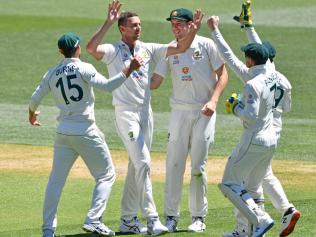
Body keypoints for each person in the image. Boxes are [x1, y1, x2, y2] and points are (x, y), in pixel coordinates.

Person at [86, 1, 203, 235]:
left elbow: (179, 48)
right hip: (126, 113)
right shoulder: (113, 51)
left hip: (145, 113)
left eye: (139, 24)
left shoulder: (147, 48)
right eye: (133, 25)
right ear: (122, 29)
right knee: (144, 163)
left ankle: (128, 219)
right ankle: (152, 219)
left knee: (135, 165)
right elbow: (91, 49)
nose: (139, 28)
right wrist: (107, 22)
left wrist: (194, 31)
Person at [29, 32, 143, 237]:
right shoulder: (84, 68)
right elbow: (108, 86)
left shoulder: (52, 72)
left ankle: (47, 230)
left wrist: (32, 115)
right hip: (85, 131)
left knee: (56, 181)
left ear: (60, 51)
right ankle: (93, 220)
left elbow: (34, 98)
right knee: (106, 175)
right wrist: (129, 69)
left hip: (63, 132)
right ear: (78, 48)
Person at [210, 1, 300, 236]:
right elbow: (287, 107)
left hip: (255, 136)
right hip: (272, 136)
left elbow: (229, 57)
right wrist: (248, 25)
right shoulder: (278, 76)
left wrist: (234, 107)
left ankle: (259, 220)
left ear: (251, 60)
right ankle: (247, 230)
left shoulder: (252, 81)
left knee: (230, 184)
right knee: (253, 186)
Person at [150, 8, 228, 233]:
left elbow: (223, 74)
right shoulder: (169, 49)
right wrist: (130, 83)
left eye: (179, 23)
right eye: (172, 23)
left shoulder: (205, 45)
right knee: (173, 164)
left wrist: (213, 101)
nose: (175, 27)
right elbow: (155, 81)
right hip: (179, 113)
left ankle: (198, 217)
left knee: (197, 166)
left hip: (204, 111)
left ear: (190, 25)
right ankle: (171, 217)